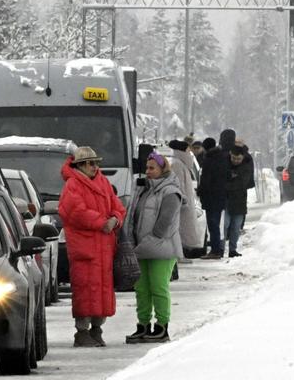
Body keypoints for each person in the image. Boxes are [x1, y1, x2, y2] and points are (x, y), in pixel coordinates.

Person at [59, 146, 127, 347]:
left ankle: (97, 328)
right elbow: (75, 212)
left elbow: (118, 206)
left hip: (104, 247)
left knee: (102, 290)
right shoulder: (73, 185)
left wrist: (115, 219)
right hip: (85, 248)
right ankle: (82, 331)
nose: (95, 166)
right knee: (85, 289)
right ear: (79, 165)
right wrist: (101, 222)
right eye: (90, 163)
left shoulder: (103, 182)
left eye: (96, 162)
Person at [125, 152, 184, 344]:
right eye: (147, 168)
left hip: (162, 248)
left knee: (159, 287)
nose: (148, 171)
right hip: (142, 247)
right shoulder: (143, 190)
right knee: (141, 289)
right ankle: (143, 325)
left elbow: (164, 224)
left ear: (162, 169)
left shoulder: (171, 192)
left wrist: (150, 240)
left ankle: (162, 326)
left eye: (152, 168)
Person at [196, 130, 235, 259]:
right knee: (216, 224)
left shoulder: (209, 160)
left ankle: (215, 250)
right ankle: (217, 249)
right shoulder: (223, 157)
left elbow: (206, 180)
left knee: (212, 225)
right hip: (220, 196)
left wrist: (200, 191)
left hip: (211, 197)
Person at [166, 139, 204, 260]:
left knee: (183, 229)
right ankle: (179, 255)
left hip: (184, 203)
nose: (190, 151)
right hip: (182, 204)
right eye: (187, 149)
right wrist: (183, 200)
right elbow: (178, 185)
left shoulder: (180, 163)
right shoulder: (177, 164)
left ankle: (181, 254)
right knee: (180, 229)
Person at [225, 141, 256, 258]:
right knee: (225, 224)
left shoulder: (247, 165)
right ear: (230, 154)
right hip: (226, 199)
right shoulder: (225, 163)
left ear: (243, 157)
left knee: (236, 226)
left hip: (240, 200)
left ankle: (232, 250)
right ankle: (221, 248)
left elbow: (243, 183)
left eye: (238, 159)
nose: (236, 161)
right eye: (233, 158)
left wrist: (231, 181)